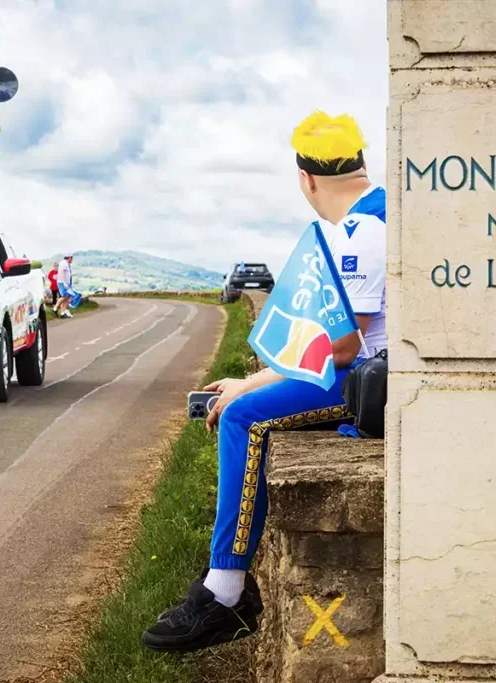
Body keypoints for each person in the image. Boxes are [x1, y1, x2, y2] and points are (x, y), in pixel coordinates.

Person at [142, 111, 387, 653]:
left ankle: (225, 592)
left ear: (307, 180)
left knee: (241, 418)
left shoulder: (360, 233)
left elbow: (343, 347)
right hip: (363, 374)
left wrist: (251, 389)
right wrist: (258, 376)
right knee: (243, 403)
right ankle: (224, 586)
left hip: (359, 383)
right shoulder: (376, 216)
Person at [56, 254, 74, 319]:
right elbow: (62, 272)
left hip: (67, 282)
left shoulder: (65, 263)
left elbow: (66, 273)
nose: (72, 260)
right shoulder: (64, 263)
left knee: (67, 297)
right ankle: (56, 307)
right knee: (65, 296)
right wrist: (64, 282)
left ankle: (63, 312)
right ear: (69, 258)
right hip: (64, 282)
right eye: (72, 259)